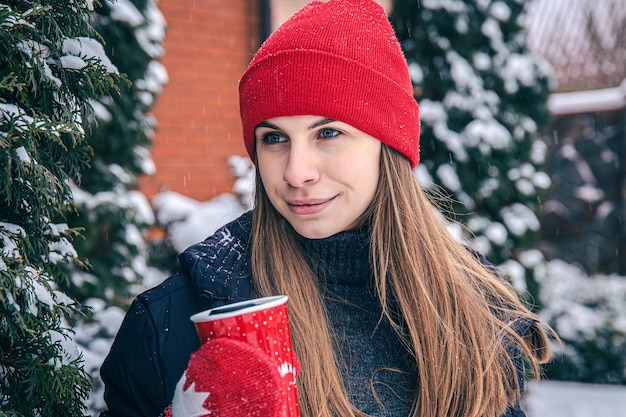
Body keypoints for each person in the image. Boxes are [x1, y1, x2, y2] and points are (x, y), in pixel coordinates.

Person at [99, 0, 556, 416]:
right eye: (274, 138)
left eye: (328, 133)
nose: (296, 172)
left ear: (387, 147)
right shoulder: (168, 326)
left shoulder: (473, 312)